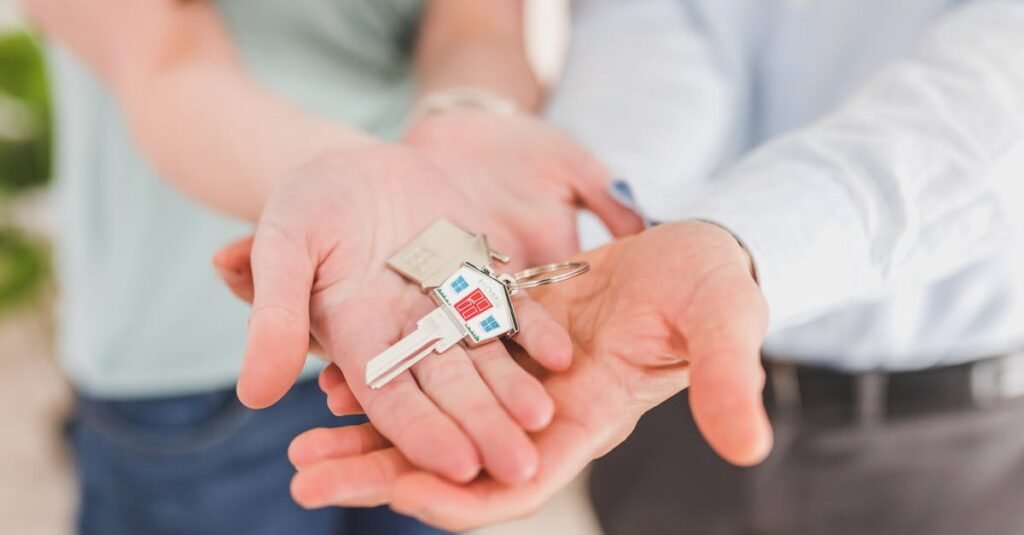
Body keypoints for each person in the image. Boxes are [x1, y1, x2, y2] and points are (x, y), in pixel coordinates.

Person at [216, 0, 1024, 533]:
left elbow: (997, 85)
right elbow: (664, 19)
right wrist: (580, 196)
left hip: (948, 430)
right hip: (643, 386)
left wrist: (741, 242)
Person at [23, 0, 640, 533]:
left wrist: (468, 116)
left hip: (420, 296)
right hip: (190, 350)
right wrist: (348, 178)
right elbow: (162, 61)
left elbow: (477, 27)